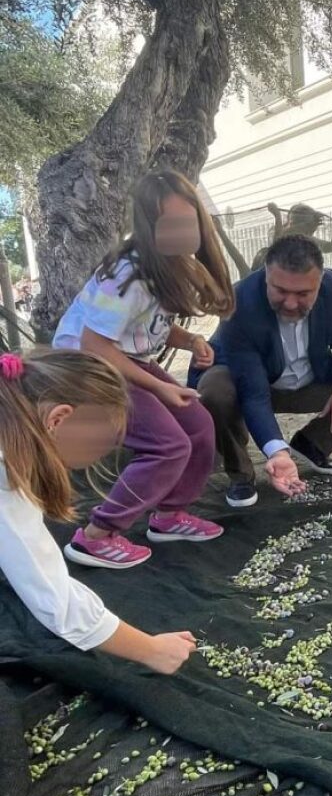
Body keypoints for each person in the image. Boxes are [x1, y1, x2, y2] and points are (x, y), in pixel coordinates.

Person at [53, 170, 234, 568]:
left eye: (188, 222)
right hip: (86, 367)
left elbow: (148, 324)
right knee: (168, 444)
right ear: (149, 226)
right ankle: (95, 537)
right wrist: (162, 389)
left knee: (198, 425)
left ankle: (168, 517)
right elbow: (95, 344)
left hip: (124, 358)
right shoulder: (128, 275)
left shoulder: (171, 264)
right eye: (171, 224)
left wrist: (190, 341)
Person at [0, 350, 195, 673]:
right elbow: (55, 600)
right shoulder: (5, 472)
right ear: (58, 419)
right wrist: (153, 650)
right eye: (102, 441)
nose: (102, 453)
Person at [193, 235, 332, 508]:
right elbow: (253, 391)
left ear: (319, 283)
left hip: (310, 381)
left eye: (303, 294)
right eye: (281, 291)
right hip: (254, 387)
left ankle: (311, 444)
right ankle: (240, 475)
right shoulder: (240, 301)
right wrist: (277, 451)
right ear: (266, 278)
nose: (291, 303)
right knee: (214, 389)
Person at [252, 203, 332, 270]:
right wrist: (277, 216)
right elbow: (276, 245)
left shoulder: (308, 241)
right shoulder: (285, 237)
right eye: (309, 227)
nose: (312, 231)